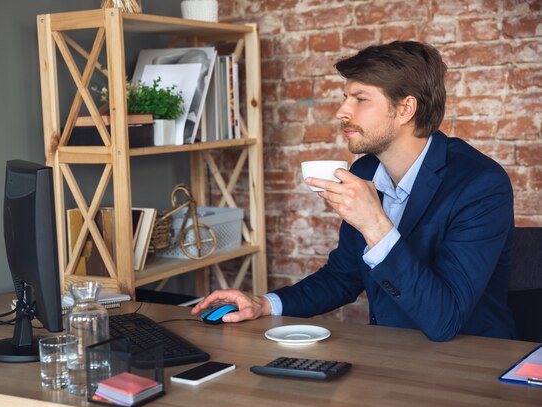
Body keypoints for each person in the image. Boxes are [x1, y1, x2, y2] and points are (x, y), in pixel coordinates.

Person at [191, 41, 518, 342]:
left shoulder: (480, 185)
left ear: (406, 109)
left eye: (360, 99)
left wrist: (375, 225)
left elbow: (445, 319)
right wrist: (264, 304)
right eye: (346, 97)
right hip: (391, 356)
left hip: (472, 363)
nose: (342, 111)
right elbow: (342, 277)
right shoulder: (365, 171)